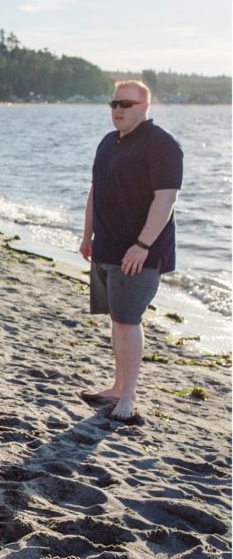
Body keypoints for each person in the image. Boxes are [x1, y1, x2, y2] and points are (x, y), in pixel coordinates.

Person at [79, 81, 182, 422]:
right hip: (106, 246)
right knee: (117, 320)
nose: (117, 110)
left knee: (128, 320)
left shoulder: (162, 145)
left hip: (140, 253)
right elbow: (96, 190)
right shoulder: (109, 142)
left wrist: (142, 246)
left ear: (145, 107)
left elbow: (165, 199)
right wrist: (87, 234)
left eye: (126, 103)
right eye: (113, 103)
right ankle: (116, 386)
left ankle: (128, 396)